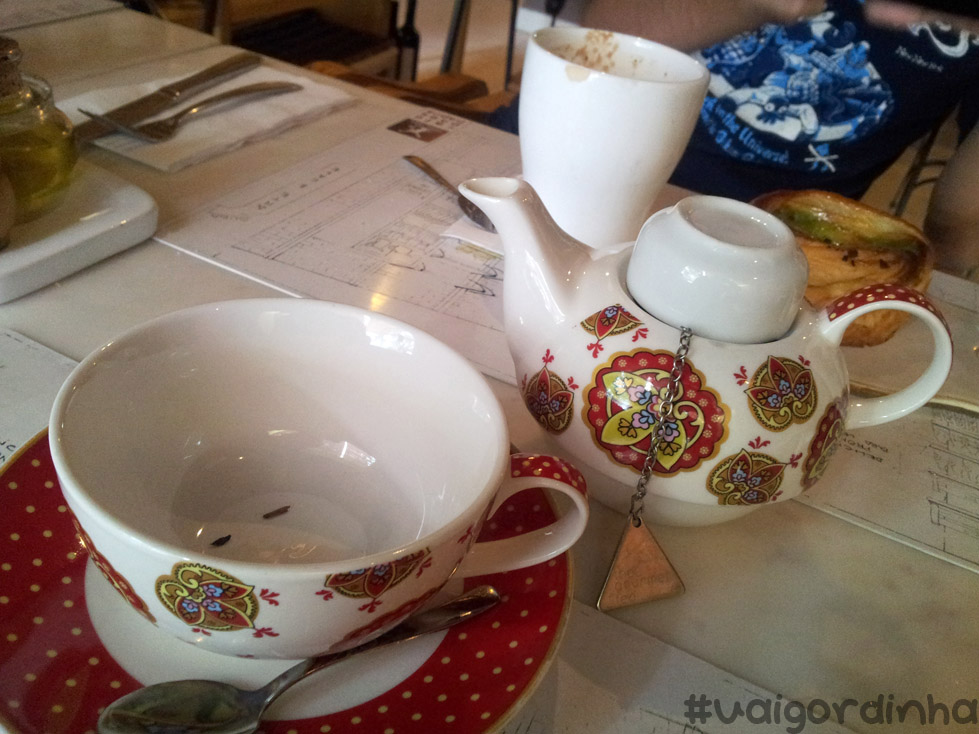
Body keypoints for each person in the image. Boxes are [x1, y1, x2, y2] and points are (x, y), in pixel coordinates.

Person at [505, 0, 979, 278]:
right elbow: (602, 31)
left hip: (761, 239)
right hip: (561, 150)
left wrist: (944, 288)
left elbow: (961, 224)